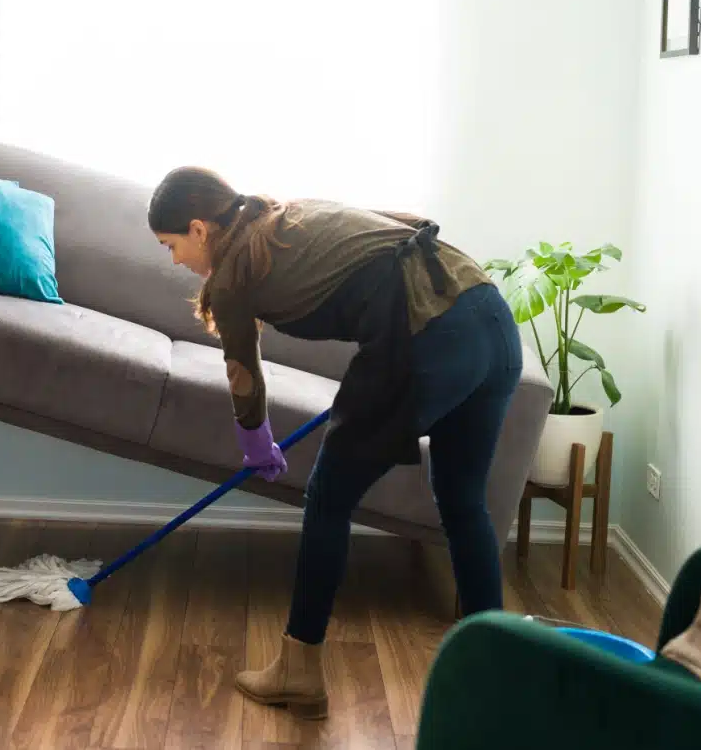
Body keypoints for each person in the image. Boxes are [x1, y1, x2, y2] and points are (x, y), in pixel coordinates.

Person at [147, 166, 523, 719]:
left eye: (171, 245)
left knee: (328, 496)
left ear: (200, 229)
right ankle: (496, 677)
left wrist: (254, 440)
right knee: (463, 500)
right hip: (490, 317)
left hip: (428, 336)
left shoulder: (232, 278)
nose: (175, 260)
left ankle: (298, 671)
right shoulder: (286, 216)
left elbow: (242, 375)